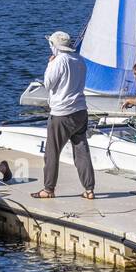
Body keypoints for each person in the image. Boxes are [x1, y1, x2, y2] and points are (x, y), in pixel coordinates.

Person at [32, 31, 95, 200]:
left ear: (55, 46)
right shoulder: (79, 60)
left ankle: (48, 189)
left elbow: (48, 83)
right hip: (80, 110)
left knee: (52, 152)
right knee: (81, 151)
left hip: (62, 113)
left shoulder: (59, 61)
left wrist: (49, 65)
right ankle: (89, 189)